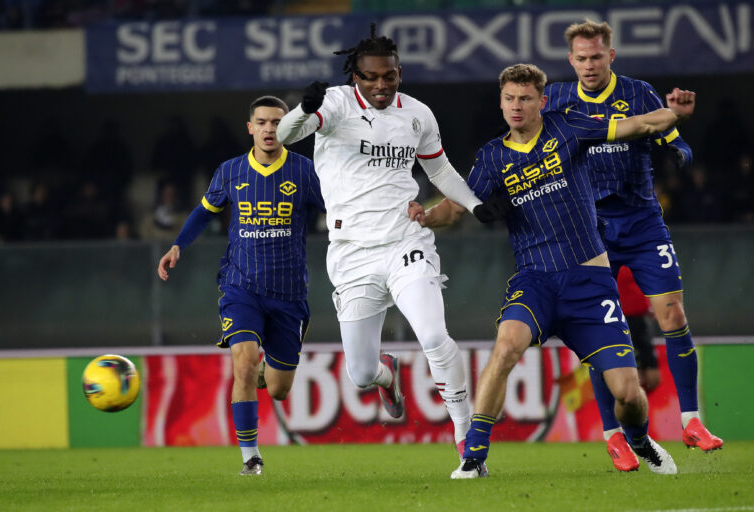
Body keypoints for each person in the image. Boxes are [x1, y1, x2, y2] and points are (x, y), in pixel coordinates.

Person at [410, 63, 695, 478]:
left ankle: (639, 440)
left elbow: (638, 124)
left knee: (628, 394)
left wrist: (677, 116)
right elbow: (456, 207)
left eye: (525, 98)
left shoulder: (570, 129)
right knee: (506, 346)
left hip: (590, 283)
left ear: (542, 101)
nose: (516, 106)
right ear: (501, 102)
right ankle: (473, 457)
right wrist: (425, 217)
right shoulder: (492, 157)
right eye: (509, 98)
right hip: (536, 280)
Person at [276, 24, 492, 461]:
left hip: (404, 241)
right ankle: (385, 374)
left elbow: (441, 171)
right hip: (351, 252)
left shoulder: (417, 115)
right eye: (370, 76)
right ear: (354, 75)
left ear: (399, 73)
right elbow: (285, 136)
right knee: (359, 373)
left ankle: (468, 438)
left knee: (433, 334)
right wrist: (303, 108)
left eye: (389, 76)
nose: (380, 85)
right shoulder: (334, 104)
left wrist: (474, 205)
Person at [544, 20, 722, 471]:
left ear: (611, 55)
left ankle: (691, 421)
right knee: (600, 335)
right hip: (591, 230)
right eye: (581, 58)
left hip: (642, 223)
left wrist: (680, 146)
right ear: (571, 60)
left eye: (596, 57)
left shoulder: (639, 93)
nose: (588, 65)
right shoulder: (558, 102)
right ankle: (612, 435)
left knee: (674, 314)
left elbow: (674, 140)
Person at [157, 96, 325, 476]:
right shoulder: (230, 171)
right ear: (250, 127)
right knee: (244, 363)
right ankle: (251, 458)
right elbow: (204, 211)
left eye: (277, 123)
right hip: (240, 287)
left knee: (279, 389)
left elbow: (339, 208)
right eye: (262, 122)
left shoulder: (305, 172)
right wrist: (177, 245)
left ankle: (269, 371)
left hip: (289, 294)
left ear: (288, 128)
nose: (269, 129)